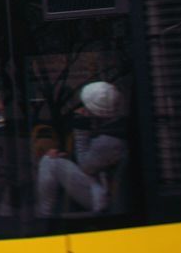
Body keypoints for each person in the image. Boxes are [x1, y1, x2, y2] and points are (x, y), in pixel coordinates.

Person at [36, 81, 129, 217]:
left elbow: (85, 166)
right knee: (54, 160)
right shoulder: (114, 127)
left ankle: (45, 216)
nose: (82, 109)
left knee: (50, 162)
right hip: (100, 185)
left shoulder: (109, 141)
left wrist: (80, 129)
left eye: (86, 106)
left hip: (101, 198)